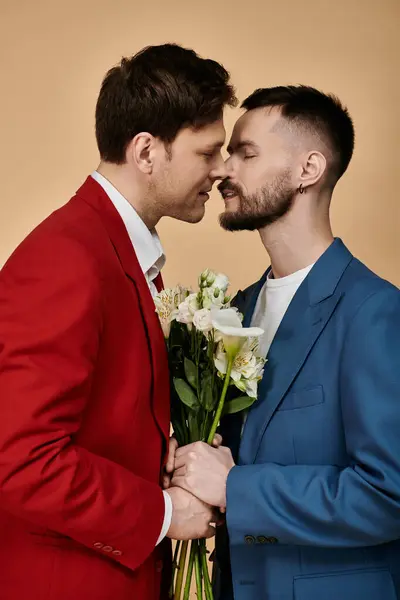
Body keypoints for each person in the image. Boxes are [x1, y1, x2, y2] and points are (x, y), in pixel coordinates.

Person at [0, 43, 236, 600]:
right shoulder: (68, 257)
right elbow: (20, 458)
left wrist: (162, 459)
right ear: (147, 151)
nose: (222, 170)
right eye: (209, 152)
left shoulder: (115, 251)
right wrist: (163, 512)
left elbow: (98, 423)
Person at [170, 85, 400, 600]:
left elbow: (391, 495)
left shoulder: (376, 312)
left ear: (308, 169)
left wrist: (236, 489)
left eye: (245, 153)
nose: (223, 170)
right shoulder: (235, 310)